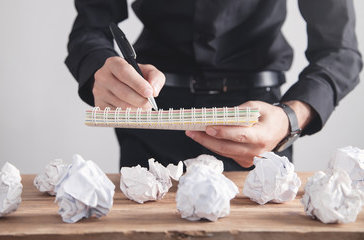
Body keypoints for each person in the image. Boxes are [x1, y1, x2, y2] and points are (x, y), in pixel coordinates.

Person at [65, 0, 362, 171]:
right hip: (151, 124)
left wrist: (290, 118)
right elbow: (90, 28)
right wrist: (99, 68)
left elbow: (340, 51)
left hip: (258, 128)